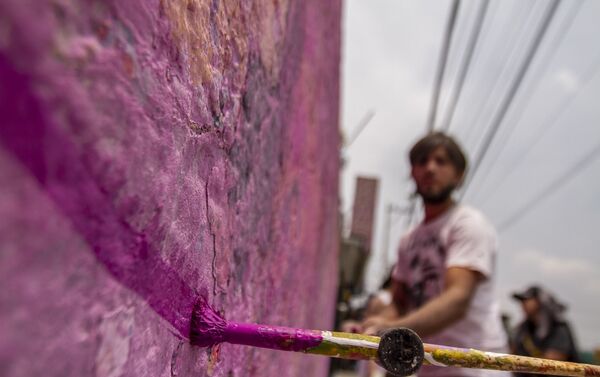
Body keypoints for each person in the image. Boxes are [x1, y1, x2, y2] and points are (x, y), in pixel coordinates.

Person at [352, 132, 509, 377]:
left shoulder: (467, 224)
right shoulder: (408, 240)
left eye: (441, 161)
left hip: (478, 364)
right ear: (412, 173)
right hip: (430, 366)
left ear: (459, 175)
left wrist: (391, 329)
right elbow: (399, 303)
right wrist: (370, 327)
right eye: (422, 161)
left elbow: (457, 299)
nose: (430, 168)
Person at [511, 285, 579, 376]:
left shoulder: (558, 326)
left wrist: (520, 364)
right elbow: (514, 353)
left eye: (526, 299)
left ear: (539, 301)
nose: (523, 303)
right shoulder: (523, 329)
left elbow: (553, 362)